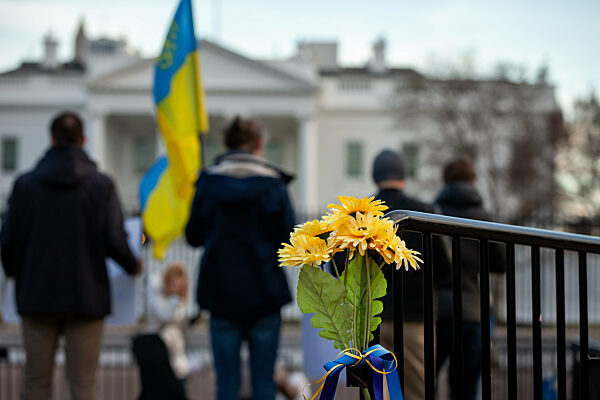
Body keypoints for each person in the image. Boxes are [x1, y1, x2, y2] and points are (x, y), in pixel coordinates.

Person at [0, 111, 139, 400]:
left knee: (36, 382)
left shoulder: (26, 185)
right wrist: (132, 265)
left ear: (51, 140)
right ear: (83, 140)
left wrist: (16, 273)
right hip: (86, 296)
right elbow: (114, 238)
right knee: (84, 385)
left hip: (37, 294)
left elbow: (9, 241)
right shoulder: (101, 185)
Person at [185, 116, 294, 400]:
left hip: (220, 293)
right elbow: (289, 240)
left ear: (226, 143)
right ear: (259, 145)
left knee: (226, 384)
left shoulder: (207, 184)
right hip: (265, 291)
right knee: (263, 382)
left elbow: (193, 235)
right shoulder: (274, 187)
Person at [371, 149, 451, 400]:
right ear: (404, 176)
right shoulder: (423, 212)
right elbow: (444, 266)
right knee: (419, 391)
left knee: (378, 391)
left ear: (375, 176)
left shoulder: (362, 214)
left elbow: (342, 265)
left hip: (372, 317)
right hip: (417, 316)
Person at [433, 158, 506, 400]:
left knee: (424, 384)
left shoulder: (431, 214)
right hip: (472, 311)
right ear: (472, 181)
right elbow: (501, 262)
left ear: (445, 181)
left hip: (436, 311)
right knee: (465, 389)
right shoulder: (485, 218)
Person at [134, 262, 190, 400]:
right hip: (159, 356)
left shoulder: (176, 301)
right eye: (174, 285)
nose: (176, 289)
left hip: (175, 358)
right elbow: (164, 314)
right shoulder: (160, 298)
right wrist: (174, 298)